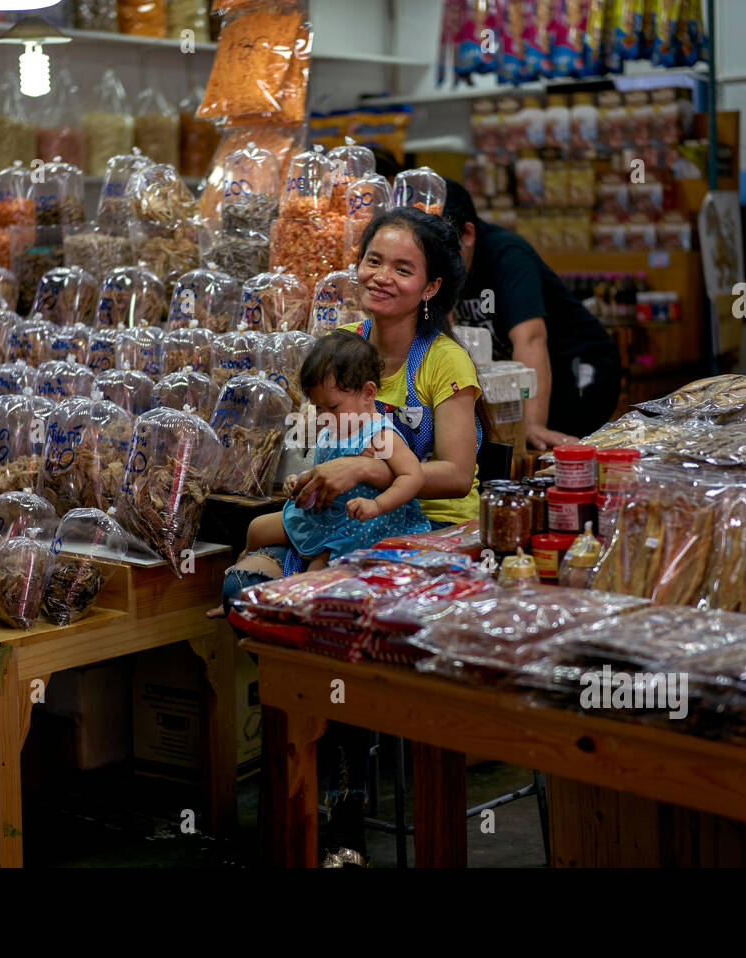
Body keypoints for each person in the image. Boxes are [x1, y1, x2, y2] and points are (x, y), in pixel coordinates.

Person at [220, 207, 482, 866]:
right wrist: (306, 477)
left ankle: (344, 810)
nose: (381, 276)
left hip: (424, 528)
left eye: (403, 268)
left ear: (430, 288)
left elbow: (455, 474)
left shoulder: (444, 362)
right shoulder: (339, 342)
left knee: (334, 620)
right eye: (373, 260)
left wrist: (369, 467)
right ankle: (297, 792)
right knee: (248, 590)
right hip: (338, 519)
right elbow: (305, 446)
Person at [210, 332, 430, 618]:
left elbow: (413, 477)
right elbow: (325, 466)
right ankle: (235, 581)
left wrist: (377, 505)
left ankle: (298, 618)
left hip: (357, 525)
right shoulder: (330, 428)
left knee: (318, 572)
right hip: (320, 513)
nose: (325, 416)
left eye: (333, 407)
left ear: (368, 393)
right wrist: (301, 480)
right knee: (257, 528)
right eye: (318, 408)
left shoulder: (380, 435)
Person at [444, 178, 622, 447]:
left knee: (546, 450)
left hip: (578, 369)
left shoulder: (507, 255)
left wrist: (532, 424)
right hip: (527, 374)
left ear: (467, 234)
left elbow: (530, 338)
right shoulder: (446, 261)